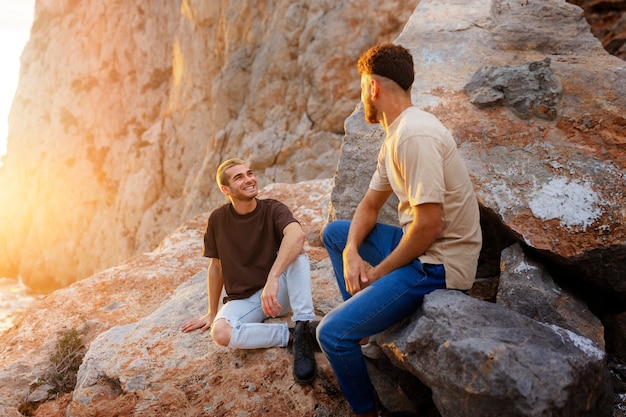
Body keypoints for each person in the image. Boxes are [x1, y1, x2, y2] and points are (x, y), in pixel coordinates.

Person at [317, 43, 482, 416]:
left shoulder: (414, 136)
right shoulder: (396, 134)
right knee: (337, 234)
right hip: (421, 252)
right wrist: (351, 253)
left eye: (362, 88)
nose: (362, 98)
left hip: (438, 265)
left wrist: (377, 273)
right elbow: (369, 206)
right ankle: (369, 330)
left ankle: (366, 410)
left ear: (373, 88)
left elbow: (429, 227)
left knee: (330, 334)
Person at [181, 158, 318, 384]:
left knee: (297, 254)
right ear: (226, 189)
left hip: (279, 293)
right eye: (239, 177)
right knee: (221, 333)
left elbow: (297, 236)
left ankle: (303, 324)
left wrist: (273, 278)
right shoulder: (218, 219)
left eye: (249, 173)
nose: (249, 180)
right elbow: (216, 267)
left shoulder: (273, 209)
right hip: (246, 299)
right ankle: (293, 336)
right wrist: (211, 312)